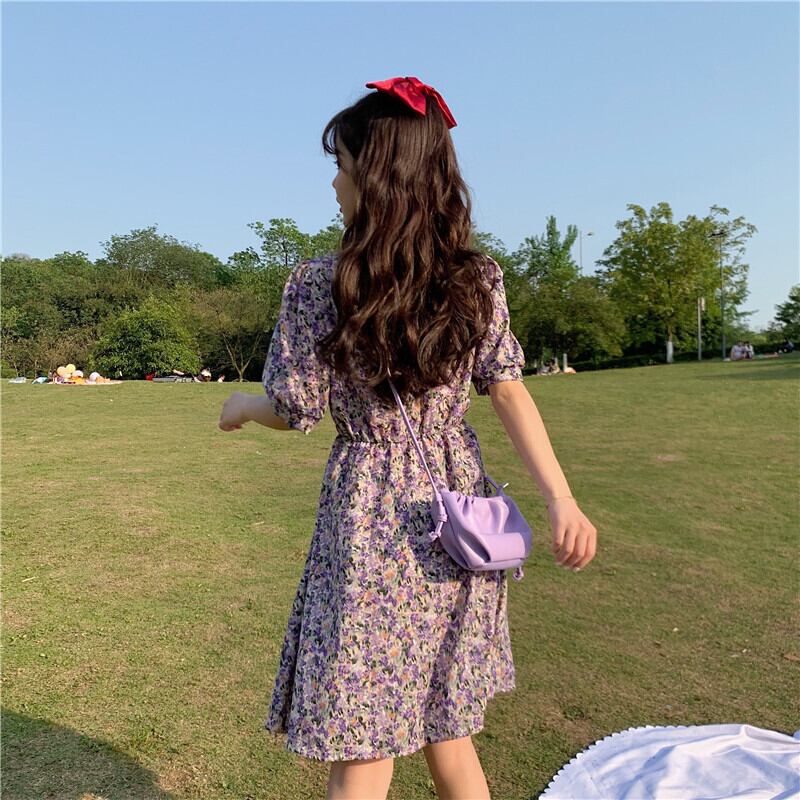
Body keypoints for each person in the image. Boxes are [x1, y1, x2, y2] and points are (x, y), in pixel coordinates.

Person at [217, 76, 598, 800]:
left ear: (377, 176)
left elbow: (295, 407)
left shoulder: (320, 284)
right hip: (460, 513)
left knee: (364, 742)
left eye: (341, 165)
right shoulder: (475, 279)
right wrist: (562, 499)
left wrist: (241, 405)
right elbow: (508, 388)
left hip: (371, 518)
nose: (333, 183)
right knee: (447, 727)